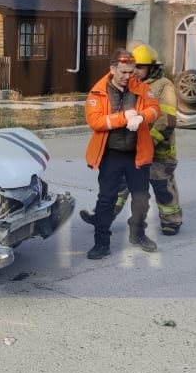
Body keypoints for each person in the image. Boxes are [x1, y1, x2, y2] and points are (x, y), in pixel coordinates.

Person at [78, 43, 182, 244]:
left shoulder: (163, 86)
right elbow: (99, 119)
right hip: (131, 151)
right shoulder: (127, 85)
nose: (135, 72)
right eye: (132, 68)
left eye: (140, 68)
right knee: (119, 189)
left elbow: (167, 120)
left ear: (152, 68)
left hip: (159, 149)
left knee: (162, 187)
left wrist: (146, 139)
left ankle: (171, 220)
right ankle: (103, 218)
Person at [83, 49, 160, 260]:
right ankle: (101, 243)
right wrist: (124, 118)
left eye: (131, 72)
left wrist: (142, 117)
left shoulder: (142, 88)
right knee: (106, 199)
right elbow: (95, 121)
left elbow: (155, 109)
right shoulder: (98, 92)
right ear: (112, 69)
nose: (128, 76)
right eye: (123, 72)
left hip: (137, 153)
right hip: (111, 155)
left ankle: (137, 234)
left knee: (141, 199)